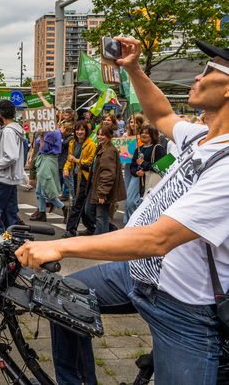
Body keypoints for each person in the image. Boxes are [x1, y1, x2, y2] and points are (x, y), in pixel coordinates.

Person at [15, 37, 229, 384]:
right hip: (139, 276)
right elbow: (161, 113)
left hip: (183, 307)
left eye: (208, 71)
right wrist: (131, 66)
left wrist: (61, 246)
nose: (197, 77)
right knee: (61, 301)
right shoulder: (198, 137)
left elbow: (158, 239)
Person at [0, 100, 26, 234]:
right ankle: (13, 241)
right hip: (12, 178)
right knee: (10, 213)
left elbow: (11, 156)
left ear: (1, 114)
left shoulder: (8, 131)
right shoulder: (17, 129)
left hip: (3, 177)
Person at [83, 124, 126, 235]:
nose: (99, 137)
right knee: (89, 211)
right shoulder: (102, 148)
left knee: (101, 216)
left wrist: (102, 193)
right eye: (98, 134)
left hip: (102, 188)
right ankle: (109, 229)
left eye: (103, 135)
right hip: (96, 186)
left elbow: (108, 174)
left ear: (110, 136)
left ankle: (100, 240)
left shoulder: (109, 151)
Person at [62, 121, 96, 238]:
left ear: (86, 131)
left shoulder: (91, 144)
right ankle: (92, 227)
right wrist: (66, 168)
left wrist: (76, 160)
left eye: (82, 130)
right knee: (80, 204)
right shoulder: (72, 143)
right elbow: (69, 159)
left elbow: (90, 163)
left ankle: (70, 230)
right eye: (77, 130)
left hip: (86, 178)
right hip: (75, 176)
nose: (79, 132)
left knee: (78, 204)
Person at [129, 124, 166, 204]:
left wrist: (144, 163)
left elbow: (164, 167)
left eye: (146, 133)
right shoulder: (138, 149)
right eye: (142, 133)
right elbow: (132, 166)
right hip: (139, 182)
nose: (143, 135)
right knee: (130, 203)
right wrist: (136, 172)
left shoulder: (159, 148)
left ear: (153, 135)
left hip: (153, 183)